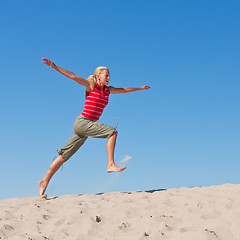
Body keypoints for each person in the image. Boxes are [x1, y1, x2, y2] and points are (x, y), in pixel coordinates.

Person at [39, 58, 150, 197]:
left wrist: (139, 88)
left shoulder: (108, 91)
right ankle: (110, 164)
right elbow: (73, 76)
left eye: (109, 76)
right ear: (98, 76)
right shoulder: (91, 85)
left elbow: (124, 90)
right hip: (83, 122)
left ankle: (44, 181)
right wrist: (54, 67)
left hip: (86, 126)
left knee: (64, 155)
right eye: (106, 75)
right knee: (112, 132)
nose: (109, 78)